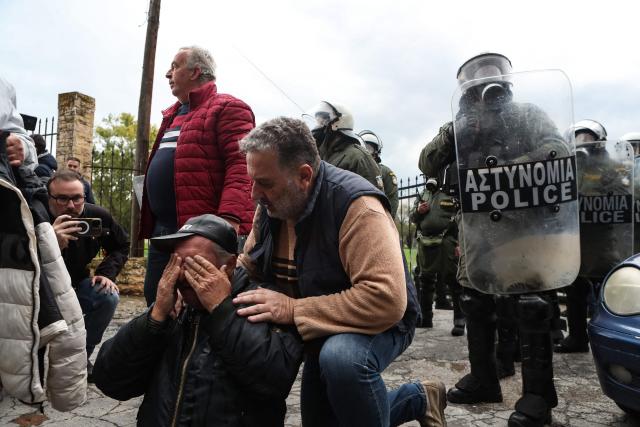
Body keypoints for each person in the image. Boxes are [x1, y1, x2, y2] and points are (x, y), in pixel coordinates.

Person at [235, 117, 446, 427]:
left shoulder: (356, 206)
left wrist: (293, 309)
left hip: (381, 320)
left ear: (304, 176)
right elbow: (249, 264)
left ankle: (414, 397)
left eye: (264, 182)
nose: (254, 193)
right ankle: (420, 398)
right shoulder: (273, 206)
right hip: (320, 320)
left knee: (342, 360)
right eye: (252, 180)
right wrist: (207, 286)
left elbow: (385, 299)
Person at [420, 53, 579, 426]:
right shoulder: (459, 123)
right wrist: (453, 132)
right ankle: (484, 379)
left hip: (522, 225)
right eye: (476, 75)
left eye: (491, 73)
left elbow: (557, 149)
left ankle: (538, 396)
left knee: (531, 304)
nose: (484, 80)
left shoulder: (526, 114)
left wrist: (509, 166)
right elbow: (426, 164)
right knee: (475, 300)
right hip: (478, 228)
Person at [93, 214, 303, 426]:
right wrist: (154, 319)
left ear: (229, 265)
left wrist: (221, 309)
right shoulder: (172, 310)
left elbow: (274, 380)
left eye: (195, 264)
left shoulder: (264, 303)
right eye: (176, 262)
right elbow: (109, 380)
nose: (182, 274)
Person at [140, 45, 256, 306]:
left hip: (201, 234)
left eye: (175, 66)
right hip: (164, 231)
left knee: (199, 304)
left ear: (195, 72)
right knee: (157, 301)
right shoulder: (172, 115)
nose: (167, 74)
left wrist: (226, 224)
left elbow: (242, 169)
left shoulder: (228, 108)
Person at [555, 120, 633, 353]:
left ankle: (611, 336)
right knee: (574, 289)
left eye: (588, 138)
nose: (583, 143)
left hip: (601, 239)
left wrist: (593, 195)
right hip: (574, 239)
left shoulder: (613, 167)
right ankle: (577, 337)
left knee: (608, 290)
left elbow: (622, 194)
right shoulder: (570, 166)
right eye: (579, 138)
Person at [47, 169, 129, 381]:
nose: (71, 205)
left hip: (75, 284)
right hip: (40, 289)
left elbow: (122, 245)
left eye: (77, 198)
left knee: (106, 295)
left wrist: (106, 273)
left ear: (85, 196)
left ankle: (81, 357)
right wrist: (49, 243)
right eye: (62, 199)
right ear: (49, 198)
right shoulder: (37, 216)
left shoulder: (97, 217)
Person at [410, 176, 464, 335]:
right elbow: (413, 218)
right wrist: (419, 211)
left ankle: (459, 321)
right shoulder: (424, 193)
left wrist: (460, 243)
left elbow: (462, 217)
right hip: (425, 242)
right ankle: (425, 318)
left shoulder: (453, 192)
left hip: (447, 241)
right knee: (425, 280)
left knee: (453, 280)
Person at [305, 101, 384, 190]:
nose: (317, 127)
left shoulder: (358, 157)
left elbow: (374, 195)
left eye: (322, 122)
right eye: (317, 122)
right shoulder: (321, 155)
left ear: (337, 124)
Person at [360, 129, 399, 218]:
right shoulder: (355, 169)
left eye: (369, 148)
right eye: (363, 147)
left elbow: (392, 202)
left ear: (376, 151)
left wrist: (387, 222)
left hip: (379, 219)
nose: (366, 151)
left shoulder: (385, 172)